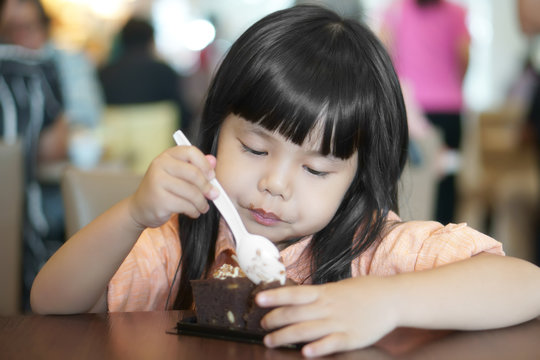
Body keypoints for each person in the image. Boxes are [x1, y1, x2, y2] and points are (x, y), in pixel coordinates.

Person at [30, 5, 540, 357]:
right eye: (254, 149)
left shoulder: (371, 247)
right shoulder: (181, 237)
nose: (275, 184)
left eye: (316, 169)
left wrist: (385, 301)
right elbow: (49, 302)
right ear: (215, 135)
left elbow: (527, 284)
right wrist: (133, 214)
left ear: (355, 180)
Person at [0, 0, 68, 311]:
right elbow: (54, 148)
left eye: (27, 28)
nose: (21, 40)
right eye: (13, 29)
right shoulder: (35, 70)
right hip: (22, 228)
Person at [379, 0, 470, 225]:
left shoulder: (395, 11)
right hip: (447, 112)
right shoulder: (457, 13)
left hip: (410, 111)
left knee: (407, 181)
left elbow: (383, 55)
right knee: (446, 180)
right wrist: (450, 86)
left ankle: (408, 236)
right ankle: (445, 239)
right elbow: (464, 57)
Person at [99, 18, 193, 135]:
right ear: (151, 41)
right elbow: (183, 116)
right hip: (160, 145)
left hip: (114, 147)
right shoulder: (164, 71)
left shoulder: (103, 73)